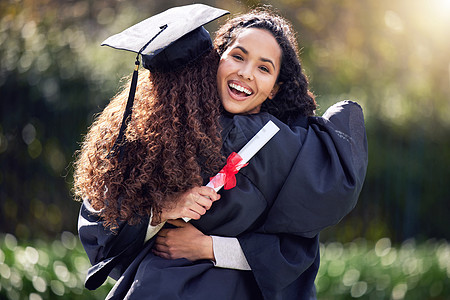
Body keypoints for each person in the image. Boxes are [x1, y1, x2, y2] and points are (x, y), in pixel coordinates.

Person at [76, 4, 368, 300]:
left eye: (264, 68)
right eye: (238, 56)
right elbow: (103, 229)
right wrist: (163, 209)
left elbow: (295, 253)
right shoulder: (164, 134)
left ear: (275, 88)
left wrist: (209, 247)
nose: (246, 73)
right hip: (155, 286)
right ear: (217, 59)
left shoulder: (284, 148)